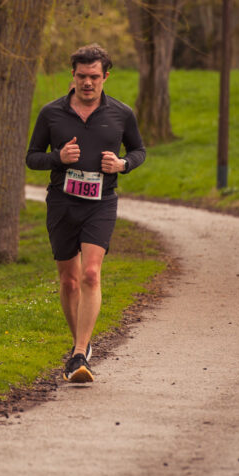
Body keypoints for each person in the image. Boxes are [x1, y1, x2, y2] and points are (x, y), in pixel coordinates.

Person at [25, 44, 146, 383]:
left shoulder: (121, 114)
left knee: (91, 274)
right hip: (62, 203)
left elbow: (139, 149)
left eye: (94, 77)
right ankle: (81, 341)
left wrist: (123, 164)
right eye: (82, 76)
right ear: (73, 76)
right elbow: (32, 156)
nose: (88, 83)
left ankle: (79, 353)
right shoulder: (51, 114)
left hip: (101, 202)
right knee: (69, 279)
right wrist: (57, 158)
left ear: (106, 76)